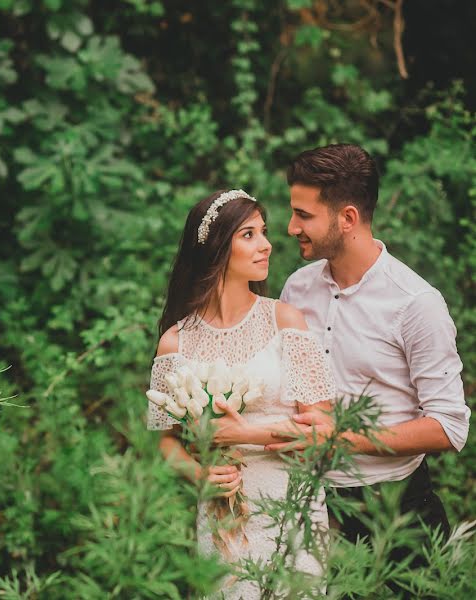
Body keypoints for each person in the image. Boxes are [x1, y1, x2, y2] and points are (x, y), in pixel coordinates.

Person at [271, 143, 469, 553]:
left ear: (347, 218)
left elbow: (449, 426)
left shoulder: (416, 303)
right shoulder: (296, 288)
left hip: (395, 513)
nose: (291, 227)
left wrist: (341, 438)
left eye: (304, 215)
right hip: (309, 503)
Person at [147, 188, 336, 599]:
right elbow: (165, 442)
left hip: (289, 507)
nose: (266, 244)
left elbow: (323, 429)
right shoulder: (176, 342)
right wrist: (199, 475)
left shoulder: (285, 320)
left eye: (264, 232)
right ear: (216, 247)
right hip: (221, 519)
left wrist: (244, 435)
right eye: (249, 234)